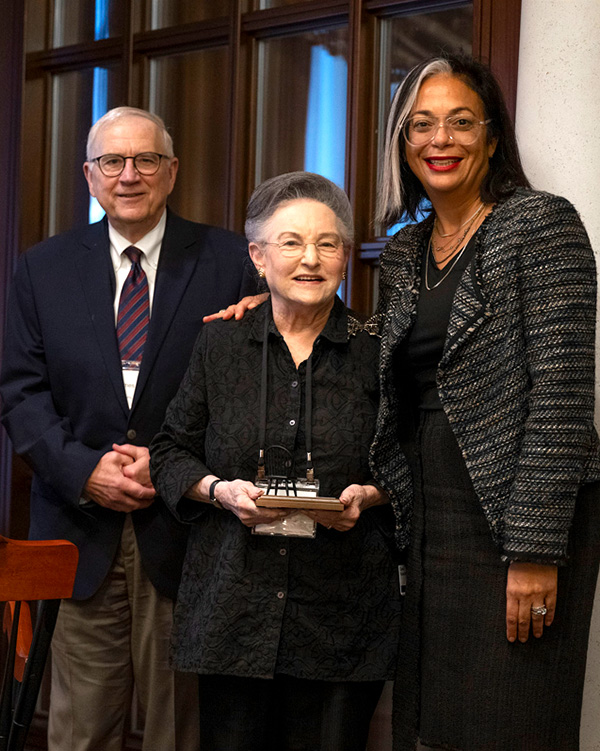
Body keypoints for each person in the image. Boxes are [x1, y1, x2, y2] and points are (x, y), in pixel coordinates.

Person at [0, 106, 256, 751]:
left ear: (171, 172)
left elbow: (265, 382)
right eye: (112, 161)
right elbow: (19, 392)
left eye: (146, 160)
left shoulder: (232, 262)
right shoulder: (43, 267)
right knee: (79, 729)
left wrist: (175, 468)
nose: (129, 175)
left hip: (188, 527)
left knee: (182, 727)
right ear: (89, 176)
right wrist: (83, 470)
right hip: (79, 525)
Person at [369, 54, 600, 751]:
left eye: (461, 123)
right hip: (431, 514)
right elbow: (383, 359)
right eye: (422, 126)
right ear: (404, 146)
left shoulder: (541, 223)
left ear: (493, 137)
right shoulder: (406, 250)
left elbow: (562, 396)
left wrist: (533, 549)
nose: (441, 140)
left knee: (512, 721)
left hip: (516, 513)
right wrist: (277, 306)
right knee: (435, 724)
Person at [149, 171, 402, 751]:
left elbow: (412, 458)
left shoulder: (377, 350)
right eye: (290, 242)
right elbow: (168, 451)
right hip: (234, 610)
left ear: (346, 258)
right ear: (258, 258)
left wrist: (369, 495)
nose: (310, 259)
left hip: (342, 615)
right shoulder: (220, 344)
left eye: (328, 243)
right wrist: (219, 491)